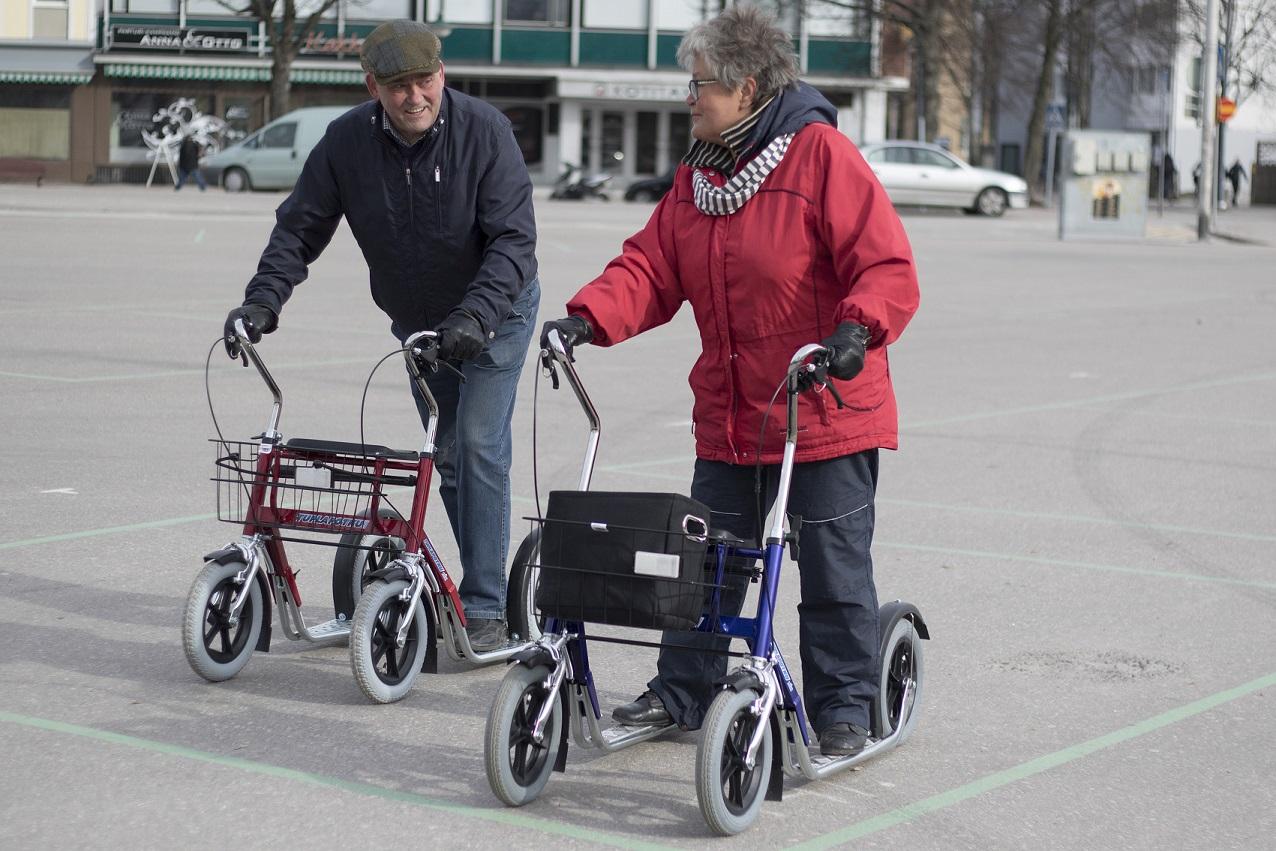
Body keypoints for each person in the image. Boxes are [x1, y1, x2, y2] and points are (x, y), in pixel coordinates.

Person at [539, 5, 919, 757]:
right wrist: (587, 317)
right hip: (734, 417)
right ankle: (685, 690)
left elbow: (886, 266)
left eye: (699, 85)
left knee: (833, 570)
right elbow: (650, 266)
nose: (689, 97)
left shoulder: (820, 157)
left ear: (746, 89)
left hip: (824, 408)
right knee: (703, 566)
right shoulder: (699, 176)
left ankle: (842, 705)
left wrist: (854, 330)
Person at [222, 20, 540, 652]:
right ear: (373, 87)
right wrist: (262, 301)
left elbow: (513, 241)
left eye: (424, 80)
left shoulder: (484, 132)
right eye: (397, 86)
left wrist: (475, 317)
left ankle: (484, 606)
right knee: (443, 454)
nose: (413, 96)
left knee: (475, 442)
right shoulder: (346, 143)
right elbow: (299, 228)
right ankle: (464, 580)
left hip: (493, 317)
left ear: (441, 75)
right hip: (422, 328)